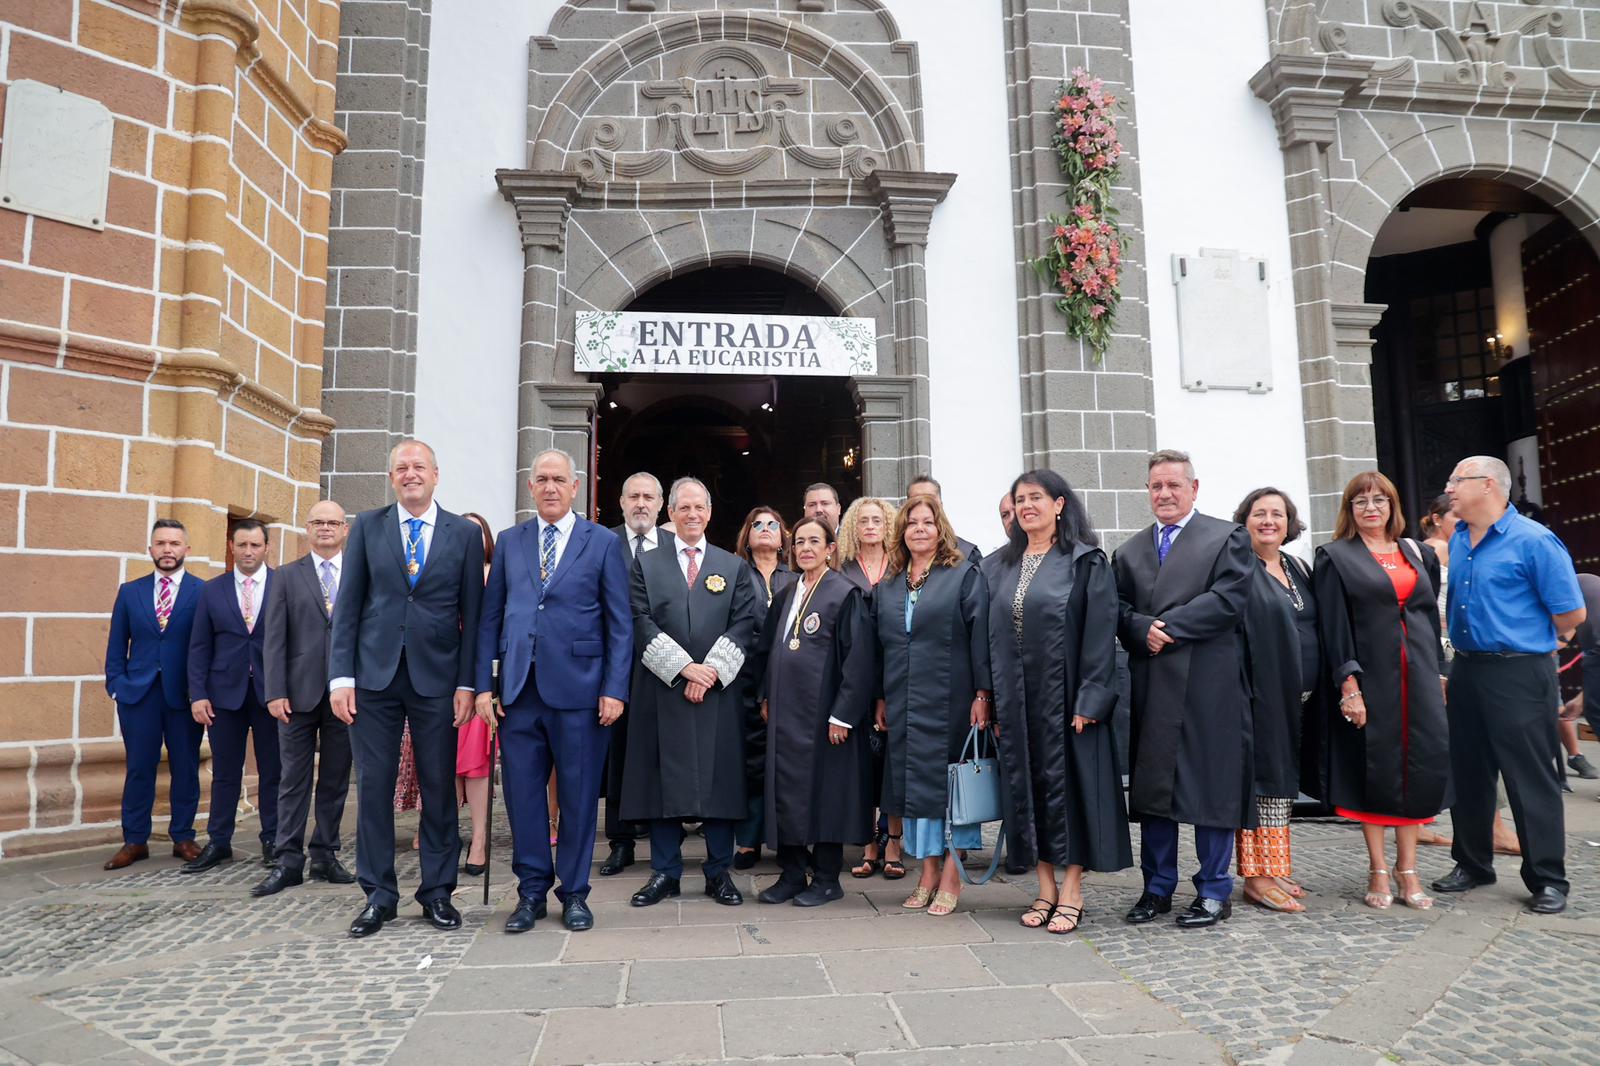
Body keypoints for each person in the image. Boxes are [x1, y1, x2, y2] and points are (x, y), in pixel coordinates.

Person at [330, 439, 485, 939]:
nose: (411, 474)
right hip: (373, 678)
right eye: (402, 467)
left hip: (438, 680)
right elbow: (348, 608)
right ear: (392, 477)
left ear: (436, 475)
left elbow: (473, 616)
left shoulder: (462, 534)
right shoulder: (368, 527)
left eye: (419, 466)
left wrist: (468, 682)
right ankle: (379, 895)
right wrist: (340, 678)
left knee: (440, 786)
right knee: (373, 786)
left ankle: (437, 892)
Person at [476, 449, 633, 933]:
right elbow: (490, 619)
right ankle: (529, 894)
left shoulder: (602, 542)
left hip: (582, 693)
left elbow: (620, 623)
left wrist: (615, 689)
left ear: (575, 487)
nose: (549, 487)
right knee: (523, 798)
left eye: (558, 479)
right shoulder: (510, 541)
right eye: (541, 479)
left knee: (580, 798)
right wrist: (484, 685)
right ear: (530, 488)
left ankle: (575, 892)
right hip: (520, 693)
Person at [1433, 455, 1585, 915]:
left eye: (1457, 480)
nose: (1449, 488)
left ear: (1488, 486)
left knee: (1529, 776)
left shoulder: (1535, 541)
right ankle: (1473, 862)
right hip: (1468, 669)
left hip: (1519, 671)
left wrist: (1528, 641)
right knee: (1469, 772)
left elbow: (1571, 615)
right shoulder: (1459, 539)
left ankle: (1547, 878)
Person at [1112, 449, 1253, 929]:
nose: (1165, 493)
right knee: (1155, 792)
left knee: (1211, 789)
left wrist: (1164, 627)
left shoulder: (1225, 537)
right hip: (1153, 684)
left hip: (1208, 685)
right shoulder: (1128, 552)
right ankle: (1157, 889)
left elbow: (1229, 599)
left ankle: (1215, 890)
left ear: (1194, 488)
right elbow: (1120, 609)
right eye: (1156, 486)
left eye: (1174, 484)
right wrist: (1138, 628)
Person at [987, 471, 1130, 932]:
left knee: (1070, 792)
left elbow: (1098, 635)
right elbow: (988, 637)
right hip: (1017, 699)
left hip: (1068, 700)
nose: (1027, 506)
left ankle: (1072, 890)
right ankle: (1044, 887)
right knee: (1027, 791)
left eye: (1036, 498)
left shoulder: (1085, 561)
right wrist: (988, 695)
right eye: (1020, 499)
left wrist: (1090, 698)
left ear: (1060, 505)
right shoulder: (1000, 565)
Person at [622, 477, 761, 907]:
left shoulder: (731, 565)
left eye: (699, 507)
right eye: (683, 508)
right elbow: (639, 620)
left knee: (720, 783)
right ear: (671, 514)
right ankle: (665, 872)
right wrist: (683, 669)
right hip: (662, 693)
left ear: (710, 513)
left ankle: (718, 871)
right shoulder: (646, 563)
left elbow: (744, 622)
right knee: (662, 783)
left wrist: (711, 672)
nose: (692, 515)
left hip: (717, 695)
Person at [1313, 471, 1450, 910]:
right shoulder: (1335, 557)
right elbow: (1333, 629)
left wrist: (1441, 671)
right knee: (1376, 773)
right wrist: (1348, 685)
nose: (1371, 508)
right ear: (1349, 510)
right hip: (1372, 682)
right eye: (1361, 502)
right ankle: (1377, 867)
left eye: (1379, 500)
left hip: (1422, 680)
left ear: (1393, 506)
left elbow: (1429, 617)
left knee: (1418, 771)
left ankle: (1407, 869)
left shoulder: (1417, 552)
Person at [874, 494, 992, 916]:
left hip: (952, 697)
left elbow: (981, 635)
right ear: (901, 533)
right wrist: (881, 697)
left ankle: (953, 875)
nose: (919, 529)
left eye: (927, 522)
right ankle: (926, 871)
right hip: (905, 699)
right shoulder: (890, 582)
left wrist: (983, 694)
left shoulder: (962, 574)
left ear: (940, 528)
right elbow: (880, 645)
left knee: (952, 788)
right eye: (911, 523)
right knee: (914, 788)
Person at [756, 517, 877, 906]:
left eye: (815, 542)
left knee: (827, 794)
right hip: (785, 715)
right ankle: (792, 873)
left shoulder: (845, 594)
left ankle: (826, 878)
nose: (806, 548)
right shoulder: (789, 591)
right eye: (800, 542)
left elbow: (859, 660)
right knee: (785, 792)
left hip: (824, 717)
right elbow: (770, 648)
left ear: (830, 549)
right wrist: (764, 696)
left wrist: (843, 715)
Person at [253, 502, 356, 897]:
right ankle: (287, 860)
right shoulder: (286, 577)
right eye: (318, 522)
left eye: (333, 522)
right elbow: (273, 638)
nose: (325, 528)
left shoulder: (358, 573)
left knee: (334, 779)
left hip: (344, 693)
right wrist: (275, 691)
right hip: (295, 695)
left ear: (344, 529)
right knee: (292, 779)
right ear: (306, 529)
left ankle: (326, 854)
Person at [102, 519, 205, 870]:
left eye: (174, 543)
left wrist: (203, 692)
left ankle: (183, 836)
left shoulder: (202, 592)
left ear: (186, 550)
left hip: (184, 695)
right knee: (140, 768)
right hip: (138, 695)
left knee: (186, 766)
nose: (167, 549)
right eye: (160, 543)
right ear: (150, 549)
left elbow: (207, 646)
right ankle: (134, 840)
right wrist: (116, 684)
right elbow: (117, 645)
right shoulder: (130, 592)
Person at [1232, 488, 1314, 913]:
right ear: (1244, 521)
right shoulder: (1240, 569)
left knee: (1281, 786)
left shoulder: (1295, 565)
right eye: (1259, 514)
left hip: (1296, 697)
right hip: (1258, 694)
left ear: (1289, 522)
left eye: (1277, 514)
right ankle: (1255, 877)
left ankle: (1275, 865)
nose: (1269, 521)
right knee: (1260, 785)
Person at [183, 520, 279, 874]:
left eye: (255, 545)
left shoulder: (283, 585)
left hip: (272, 693)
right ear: (231, 547)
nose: (249, 552)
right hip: (224, 694)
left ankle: (273, 838)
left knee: (274, 769)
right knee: (225, 771)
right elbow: (199, 646)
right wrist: (198, 694)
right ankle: (219, 840)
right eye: (242, 545)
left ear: (267, 546)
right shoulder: (212, 590)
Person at [600, 471, 674, 876]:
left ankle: (669, 834)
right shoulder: (602, 542)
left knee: (664, 752)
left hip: (667, 667)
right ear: (622, 502)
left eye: (649, 496)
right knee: (619, 755)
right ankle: (620, 841)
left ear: (661, 504)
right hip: (619, 668)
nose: (641, 503)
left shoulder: (674, 545)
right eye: (634, 496)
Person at [837, 496, 905, 881]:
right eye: (863, 520)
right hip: (855, 675)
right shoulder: (842, 569)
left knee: (893, 762)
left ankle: (893, 842)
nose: (870, 526)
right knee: (860, 762)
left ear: (888, 524)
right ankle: (867, 845)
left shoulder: (901, 567)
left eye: (877, 519)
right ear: (852, 526)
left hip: (896, 673)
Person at [734, 505, 797, 870]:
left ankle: (789, 839)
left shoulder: (796, 576)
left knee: (788, 760)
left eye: (773, 524)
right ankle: (749, 840)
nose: (765, 529)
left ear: (783, 535)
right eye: (756, 523)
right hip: (744, 676)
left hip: (788, 680)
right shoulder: (736, 573)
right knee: (751, 761)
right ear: (747, 533)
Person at [458, 513, 499, 874]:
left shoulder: (493, 574)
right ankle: (440, 830)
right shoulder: (445, 571)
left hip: (480, 676)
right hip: (443, 678)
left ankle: (479, 839)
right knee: (442, 760)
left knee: (476, 761)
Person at [905, 475, 982, 563]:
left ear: (941, 505)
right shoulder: (897, 558)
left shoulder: (968, 555)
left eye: (930, 498)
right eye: (916, 499)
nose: (924, 504)